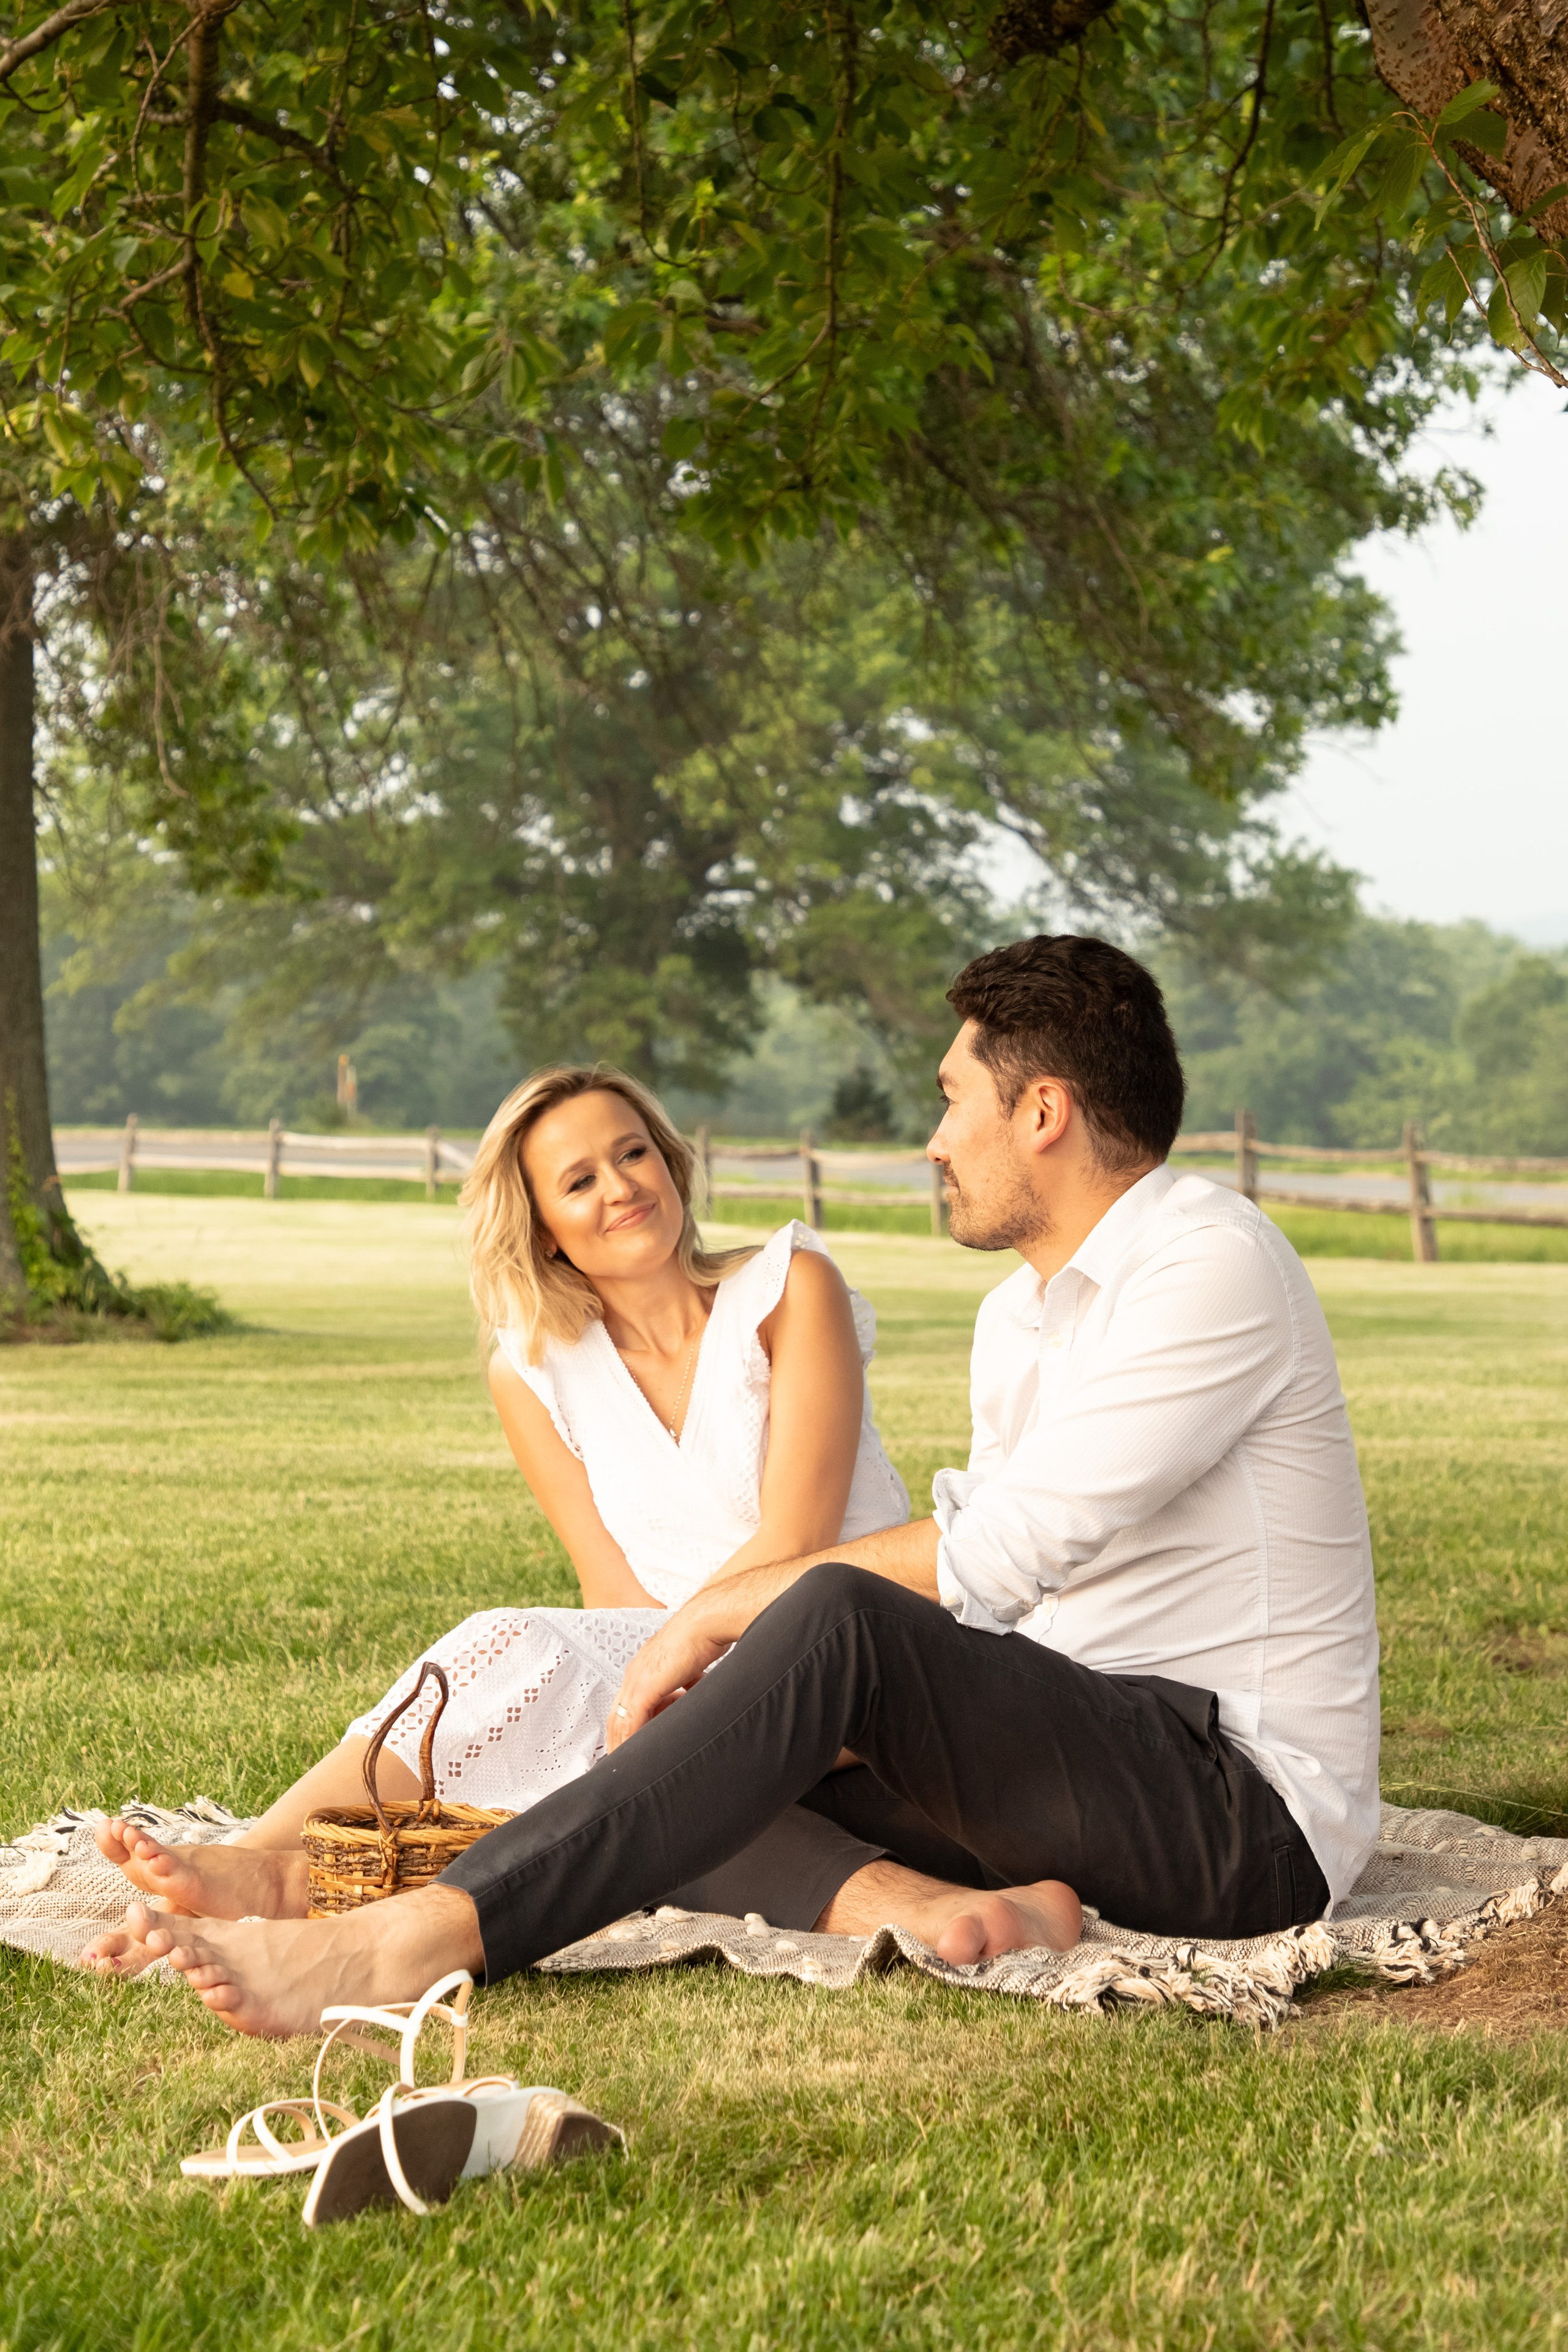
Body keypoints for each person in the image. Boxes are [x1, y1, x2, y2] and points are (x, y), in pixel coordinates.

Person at [100, 934, 1381, 2038]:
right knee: (702, 1749)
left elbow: (1001, 1556)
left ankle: (414, 1939)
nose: (934, 1139)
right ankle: (919, 1903)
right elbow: (1000, 1613)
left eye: (952, 1102)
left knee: (818, 1618)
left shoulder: (1209, 1263)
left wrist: (718, 1616)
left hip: (1235, 1816)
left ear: (1039, 1113)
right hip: (1080, 1758)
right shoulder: (1022, 1314)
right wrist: (762, 1695)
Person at [90, 1064, 1077, 1970]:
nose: (620, 1187)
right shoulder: (534, 1370)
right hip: (671, 1669)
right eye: (578, 1181)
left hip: (842, 1656)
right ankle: (270, 1868)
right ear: (541, 1227)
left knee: (517, 1651)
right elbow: (607, 1594)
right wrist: (649, 1713)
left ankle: (264, 1864)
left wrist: (669, 1687)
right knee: (596, 1758)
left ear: (671, 1160)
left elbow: (798, 1543)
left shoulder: (786, 1288)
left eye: (633, 1152)